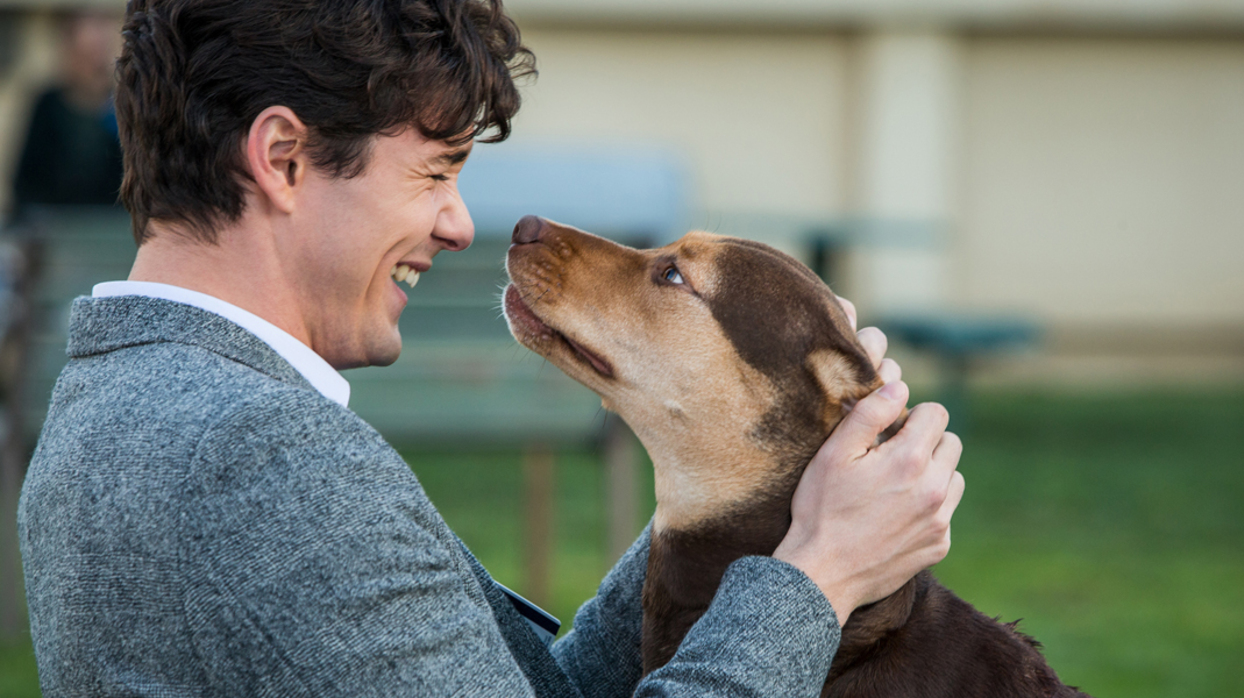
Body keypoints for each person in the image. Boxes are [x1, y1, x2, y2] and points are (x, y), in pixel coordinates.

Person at [17, 0, 965, 695]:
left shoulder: (115, 400)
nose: (459, 223)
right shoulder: (263, 461)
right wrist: (819, 579)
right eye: (434, 171)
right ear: (283, 159)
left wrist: (746, 471)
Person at [9, 10, 123, 218]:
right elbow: (27, 181)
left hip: (108, 229)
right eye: (86, 56)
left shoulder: (120, 108)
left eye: (100, 55)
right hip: (56, 228)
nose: (94, 66)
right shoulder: (48, 105)